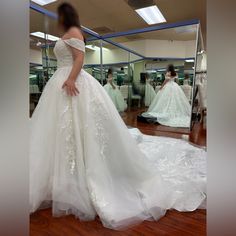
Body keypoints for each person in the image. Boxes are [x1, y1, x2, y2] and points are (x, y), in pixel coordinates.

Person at [30, 3, 206, 230]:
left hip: (72, 81)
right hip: (61, 82)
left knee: (81, 128)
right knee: (61, 130)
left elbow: (79, 58)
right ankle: (64, 177)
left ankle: (84, 173)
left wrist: (72, 79)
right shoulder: (64, 34)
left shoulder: (74, 31)